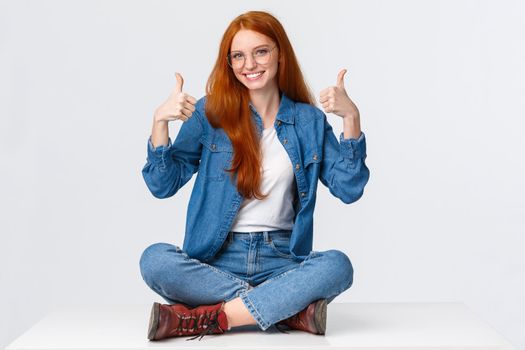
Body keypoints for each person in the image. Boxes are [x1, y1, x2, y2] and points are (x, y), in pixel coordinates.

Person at [139, 10, 370, 341]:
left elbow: (349, 189)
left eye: (260, 51)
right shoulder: (210, 113)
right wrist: (159, 122)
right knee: (155, 260)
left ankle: (214, 317)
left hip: (283, 259)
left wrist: (351, 117)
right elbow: (162, 185)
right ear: (230, 64)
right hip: (216, 260)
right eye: (238, 56)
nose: (250, 64)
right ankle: (286, 309)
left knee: (338, 266)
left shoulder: (309, 121)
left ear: (279, 54)